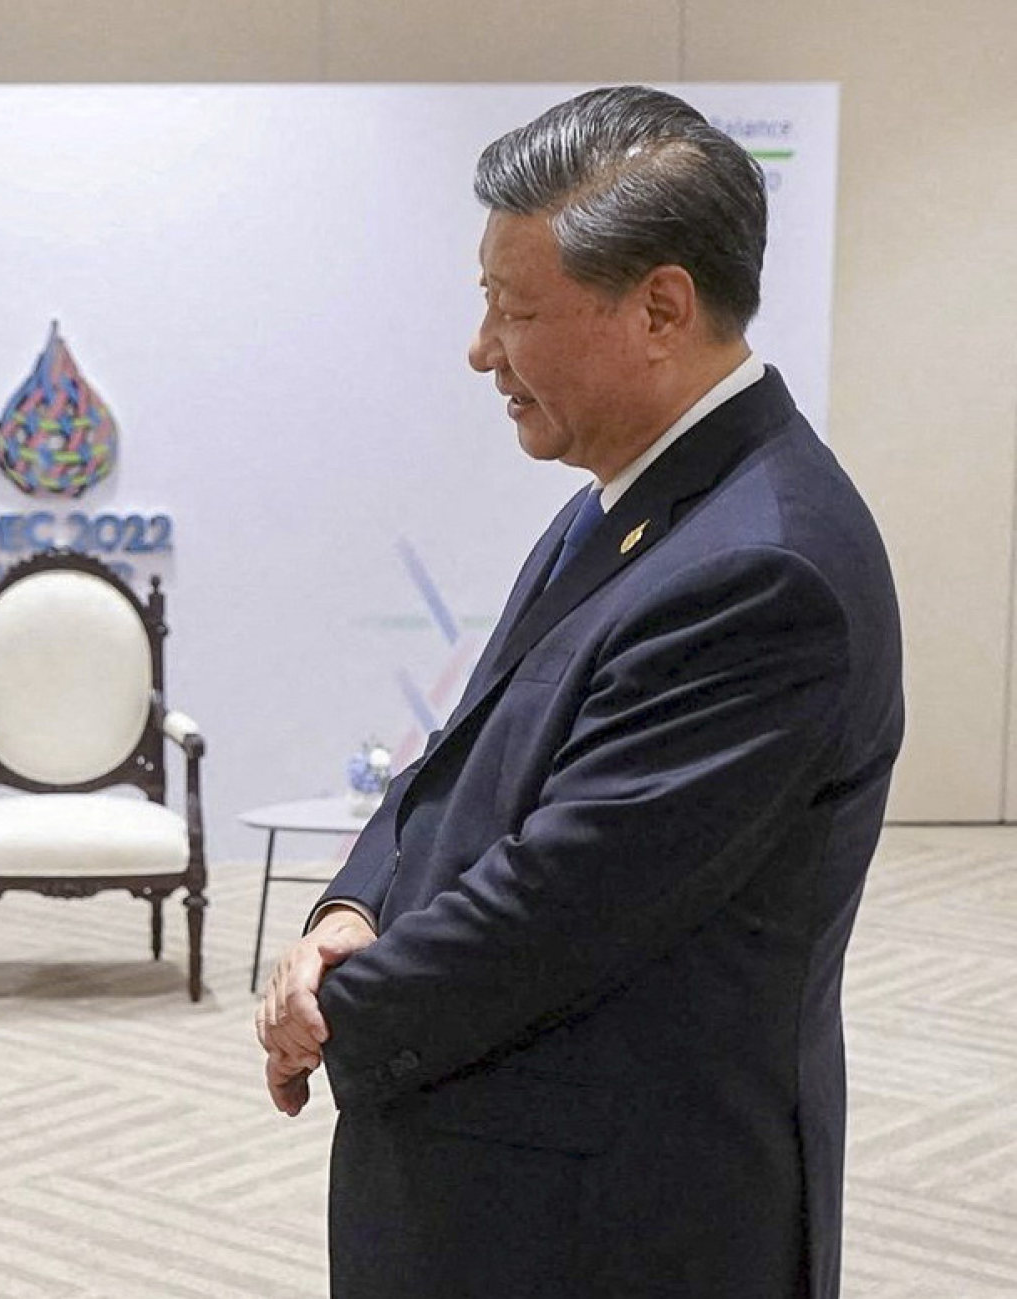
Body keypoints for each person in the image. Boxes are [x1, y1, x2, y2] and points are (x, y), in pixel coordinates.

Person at [256, 86, 902, 1298]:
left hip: (620, 1217)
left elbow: (561, 902)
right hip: (518, 1175)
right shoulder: (616, 506)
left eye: (515, 310)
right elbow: (459, 763)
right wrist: (346, 913)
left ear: (660, 307)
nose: (481, 351)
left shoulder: (763, 567)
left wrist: (330, 1011)